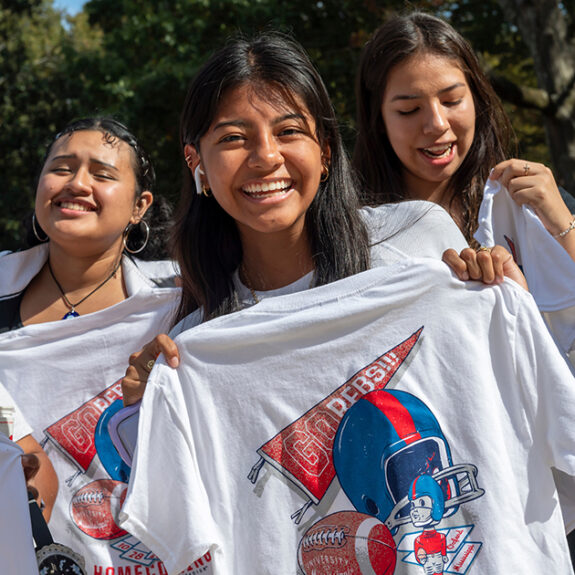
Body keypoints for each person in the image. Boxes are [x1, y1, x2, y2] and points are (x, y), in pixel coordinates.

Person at [116, 32, 575, 574]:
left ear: (326, 151)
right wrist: (152, 406)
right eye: (235, 138)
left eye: (289, 131)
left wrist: (497, 299)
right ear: (198, 163)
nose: (266, 157)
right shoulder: (195, 350)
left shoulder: (421, 239)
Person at [353, 9, 575, 565]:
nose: (436, 124)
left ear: (478, 96)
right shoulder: (355, 237)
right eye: (408, 109)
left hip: (555, 496)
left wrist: (561, 224)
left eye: (452, 99)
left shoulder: (530, 207)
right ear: (378, 118)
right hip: (442, 514)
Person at [0, 117, 181, 573]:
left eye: (101, 174)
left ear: (140, 206)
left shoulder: (184, 306)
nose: (77, 184)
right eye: (61, 169)